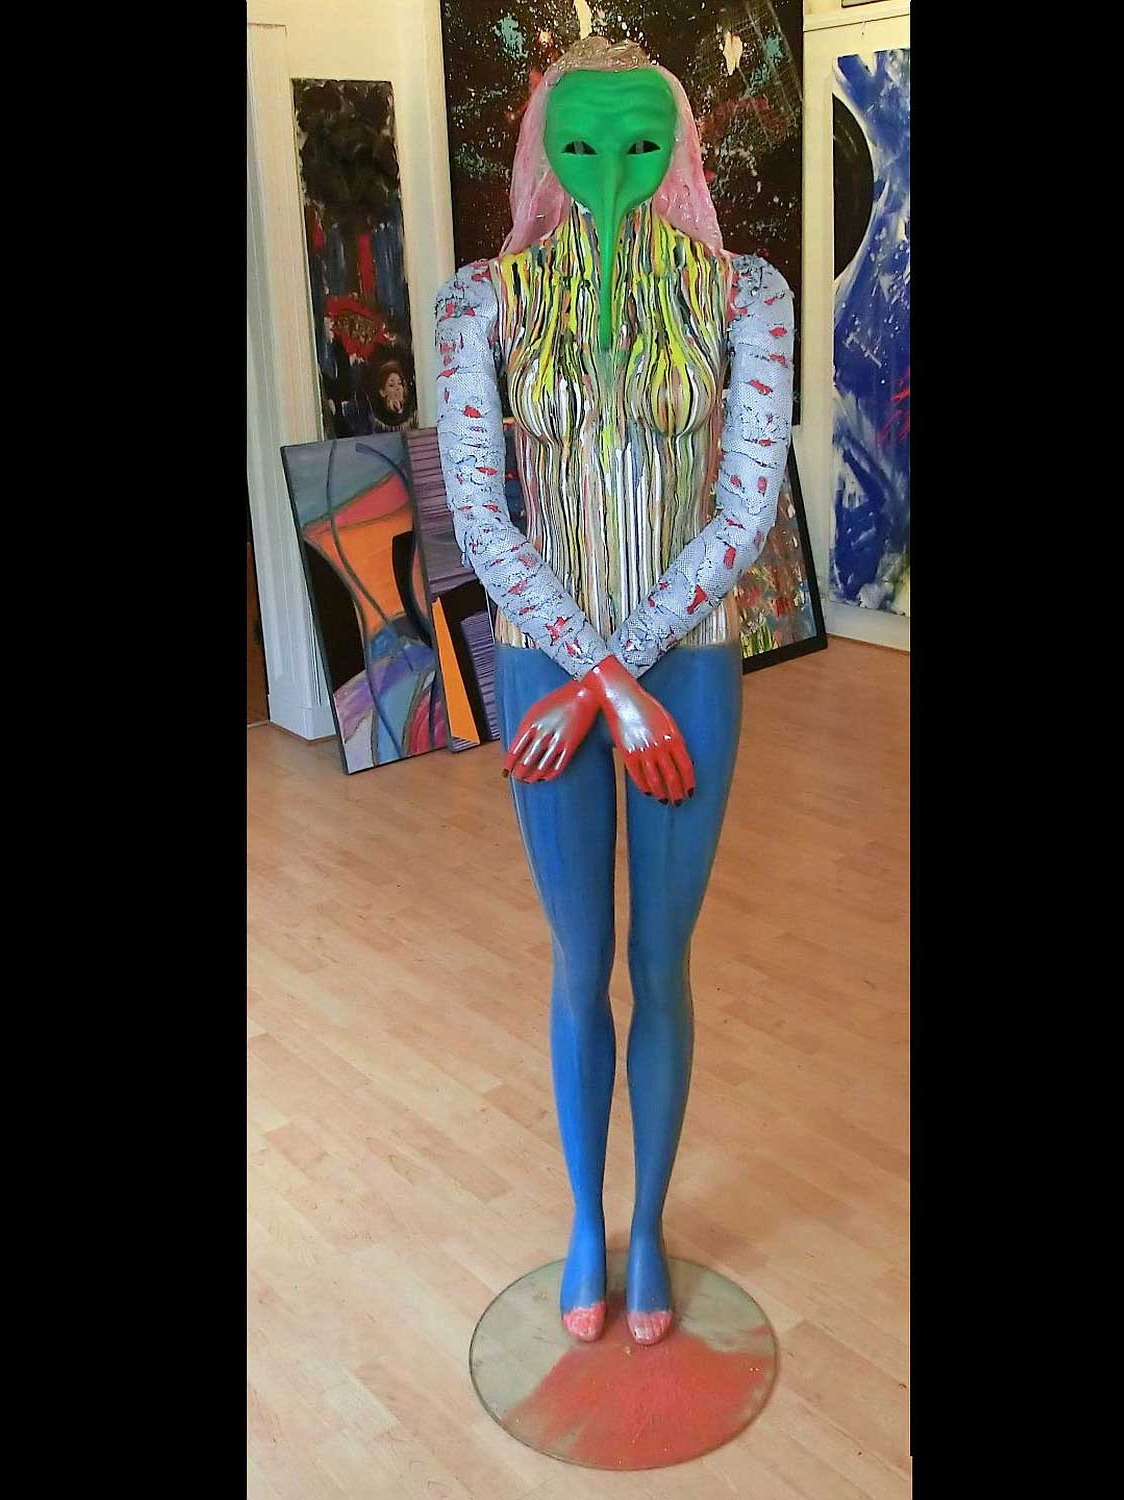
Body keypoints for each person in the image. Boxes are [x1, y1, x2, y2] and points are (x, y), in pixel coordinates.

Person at [434, 35, 794, 1346]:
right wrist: (601, 686)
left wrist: (616, 687)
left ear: (679, 149)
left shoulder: (748, 293)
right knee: (581, 959)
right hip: (552, 665)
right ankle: (587, 1221)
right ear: (543, 149)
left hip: (683, 667)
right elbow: (480, 514)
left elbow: (744, 511)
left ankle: (648, 1230)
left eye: (640, 145)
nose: (608, 178)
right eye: (579, 146)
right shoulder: (479, 302)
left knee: (661, 962)